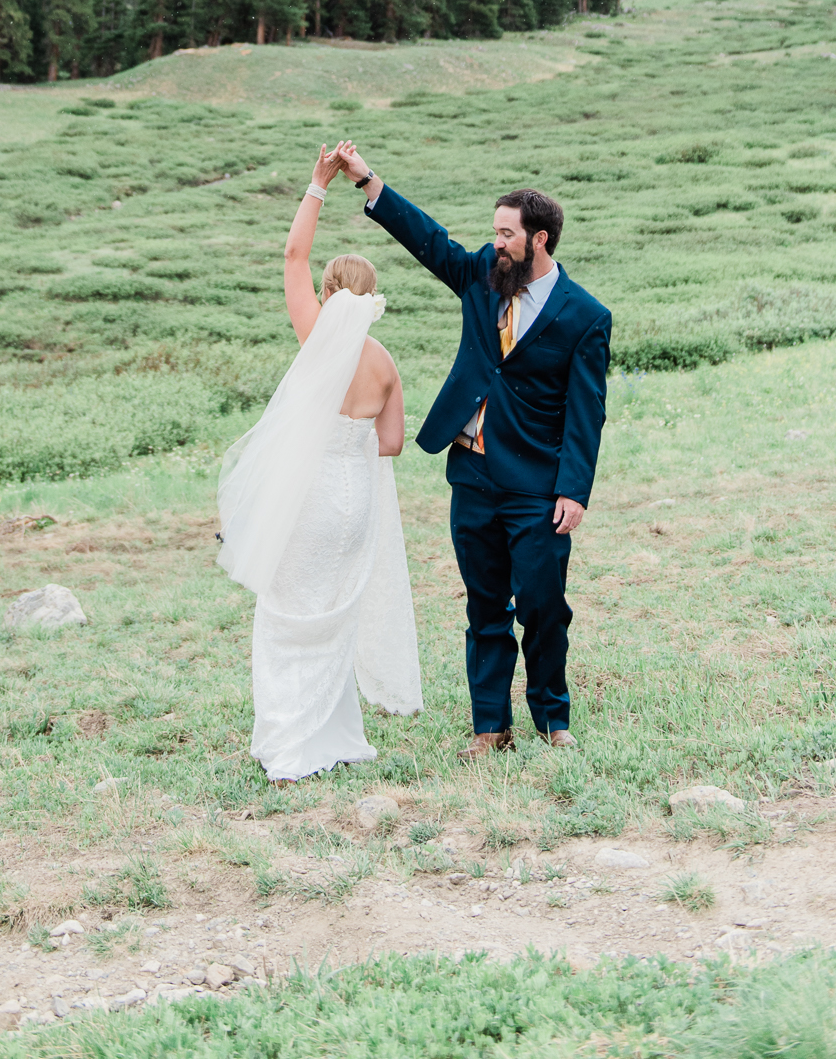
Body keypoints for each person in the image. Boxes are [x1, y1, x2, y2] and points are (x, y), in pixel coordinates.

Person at [334, 145, 609, 758]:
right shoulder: (485, 276)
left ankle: (552, 720)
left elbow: (588, 411)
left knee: (542, 607)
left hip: (538, 483)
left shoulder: (586, 316)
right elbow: (429, 241)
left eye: (506, 233)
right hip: (473, 473)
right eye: (494, 232)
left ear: (538, 239)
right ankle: (491, 728)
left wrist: (573, 490)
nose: (496, 243)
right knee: (484, 606)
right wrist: (368, 182)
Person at [216, 140, 422, 782]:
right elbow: (391, 444)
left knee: (287, 616)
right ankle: (334, 739)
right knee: (336, 617)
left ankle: (287, 745)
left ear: (330, 291)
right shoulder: (383, 360)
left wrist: (318, 184)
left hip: (306, 502)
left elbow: (292, 254)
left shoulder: (316, 338)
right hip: (354, 501)